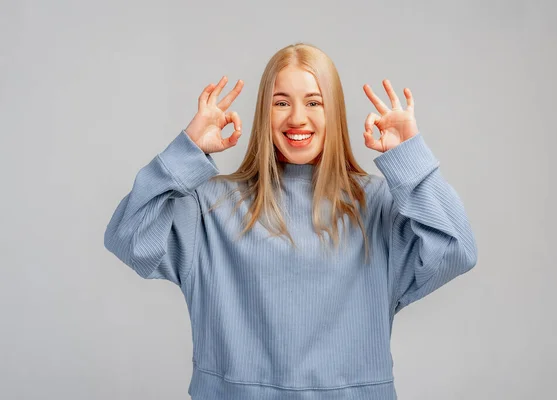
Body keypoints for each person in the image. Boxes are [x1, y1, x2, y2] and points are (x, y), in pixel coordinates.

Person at [103, 42, 478, 400]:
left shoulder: (376, 205)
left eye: (314, 102)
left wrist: (410, 158)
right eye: (281, 102)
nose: (297, 117)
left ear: (335, 112)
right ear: (263, 113)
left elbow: (456, 251)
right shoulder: (211, 206)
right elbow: (128, 237)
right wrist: (188, 149)